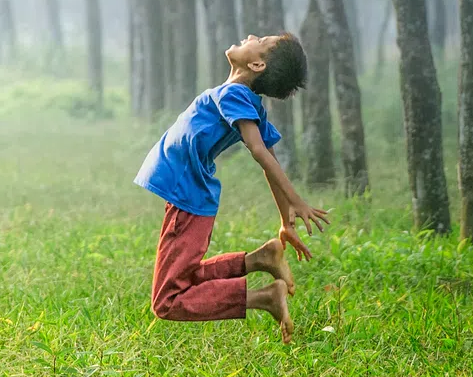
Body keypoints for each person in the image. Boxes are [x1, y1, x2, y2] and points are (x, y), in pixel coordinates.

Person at [135, 33, 329, 342]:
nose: (251, 35)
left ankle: (264, 298)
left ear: (256, 63)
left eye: (261, 40)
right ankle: (259, 260)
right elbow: (269, 154)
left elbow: (260, 150)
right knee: (183, 278)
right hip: (188, 195)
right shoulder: (241, 97)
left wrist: (296, 201)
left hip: (187, 197)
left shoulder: (236, 94)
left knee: (167, 300)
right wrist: (285, 221)